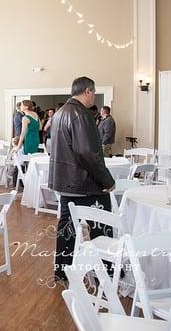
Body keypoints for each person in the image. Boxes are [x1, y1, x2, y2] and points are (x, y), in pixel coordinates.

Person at [48, 76, 115, 281]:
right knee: (102, 227)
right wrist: (107, 180)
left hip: (67, 183)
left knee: (67, 228)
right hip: (85, 184)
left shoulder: (60, 113)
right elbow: (87, 153)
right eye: (93, 92)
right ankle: (107, 272)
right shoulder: (80, 114)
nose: (94, 96)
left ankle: (62, 271)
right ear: (87, 91)